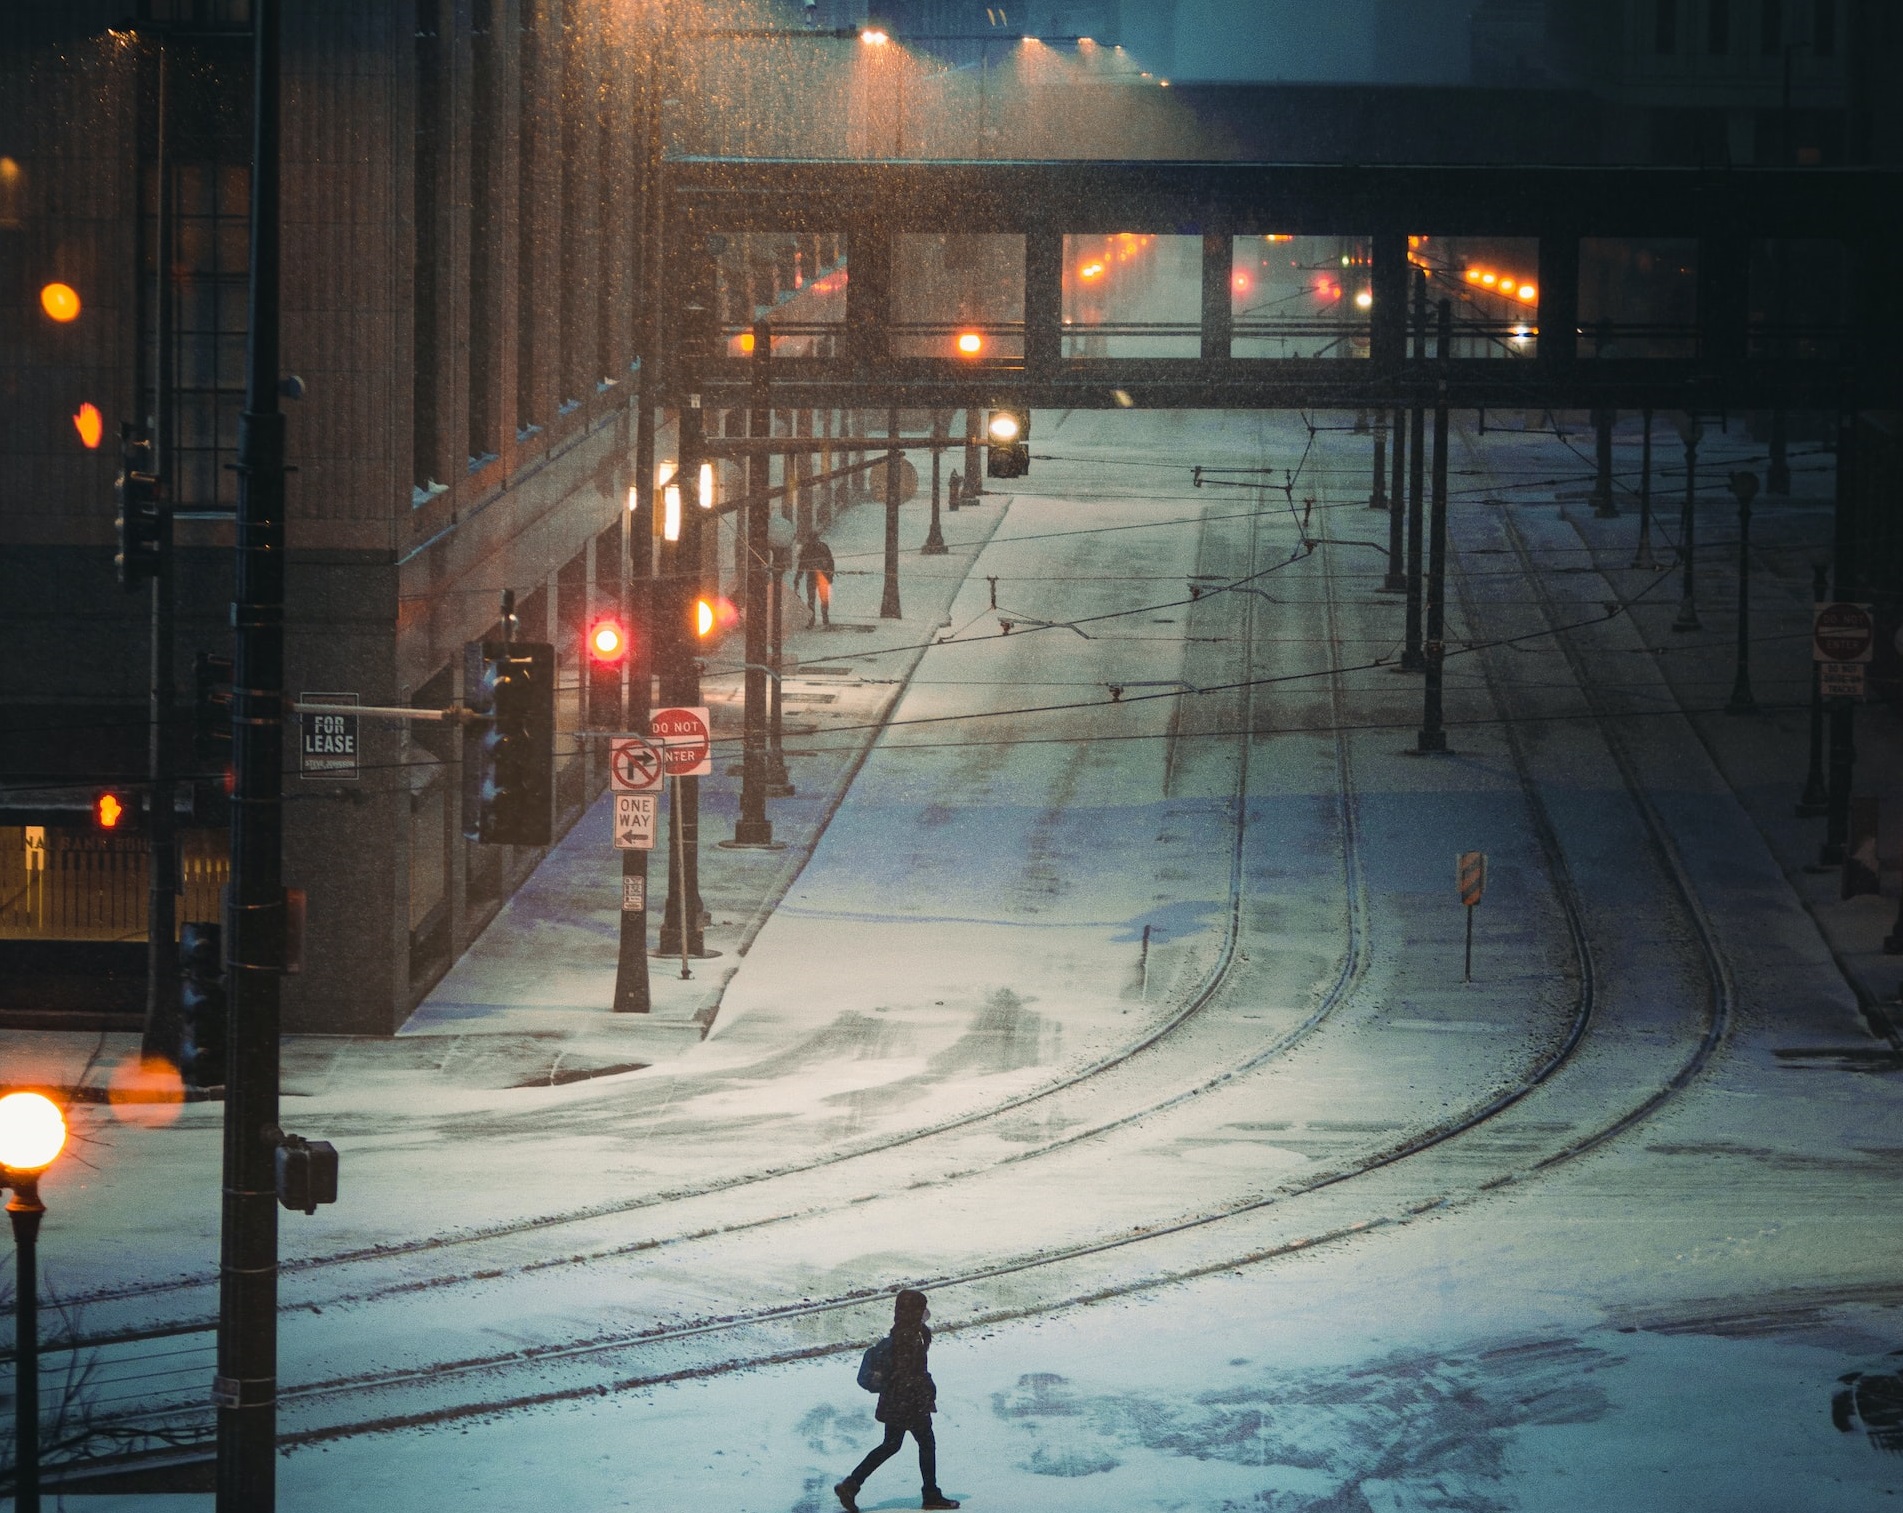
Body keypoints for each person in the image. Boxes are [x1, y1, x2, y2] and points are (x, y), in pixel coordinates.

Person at [836, 1289, 957, 1511]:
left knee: (891, 1445)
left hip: (896, 1402)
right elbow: (911, 1374)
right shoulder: (908, 1338)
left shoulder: (902, 1332)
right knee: (926, 1443)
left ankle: (851, 1484)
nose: (924, 1313)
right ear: (914, 1311)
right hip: (909, 1403)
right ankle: (930, 1495)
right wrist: (924, 1394)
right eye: (921, 1309)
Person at [797, 531, 836, 628]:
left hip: (813, 576)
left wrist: (798, 577)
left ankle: (813, 619)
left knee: (812, 599)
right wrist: (830, 575)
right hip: (822, 576)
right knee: (822, 598)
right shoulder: (822, 547)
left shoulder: (807, 548)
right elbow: (830, 562)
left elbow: (802, 564)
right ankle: (823, 618)